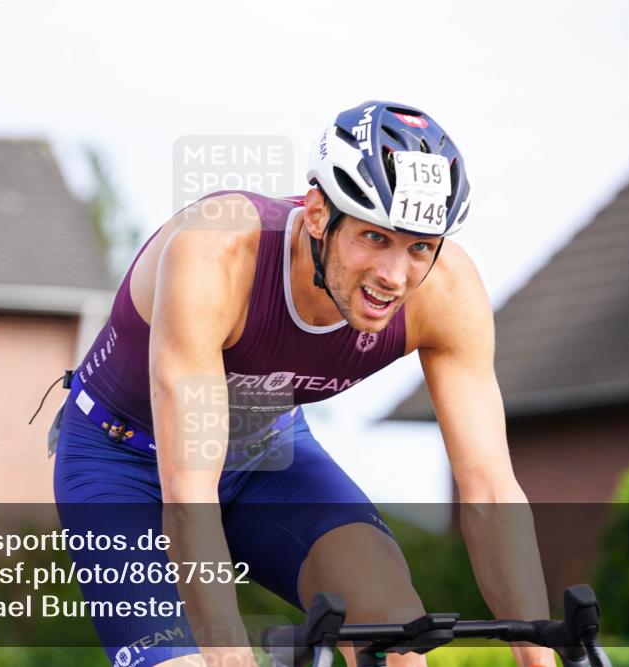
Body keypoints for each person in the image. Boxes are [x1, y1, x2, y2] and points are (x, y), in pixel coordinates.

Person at [51, 101, 554, 667]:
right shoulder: (217, 252)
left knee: (395, 631)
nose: (394, 276)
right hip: (122, 461)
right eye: (374, 237)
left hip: (268, 452)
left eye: (420, 246)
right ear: (318, 214)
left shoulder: (447, 291)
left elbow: (490, 491)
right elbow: (189, 492)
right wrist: (228, 654)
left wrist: (539, 657)